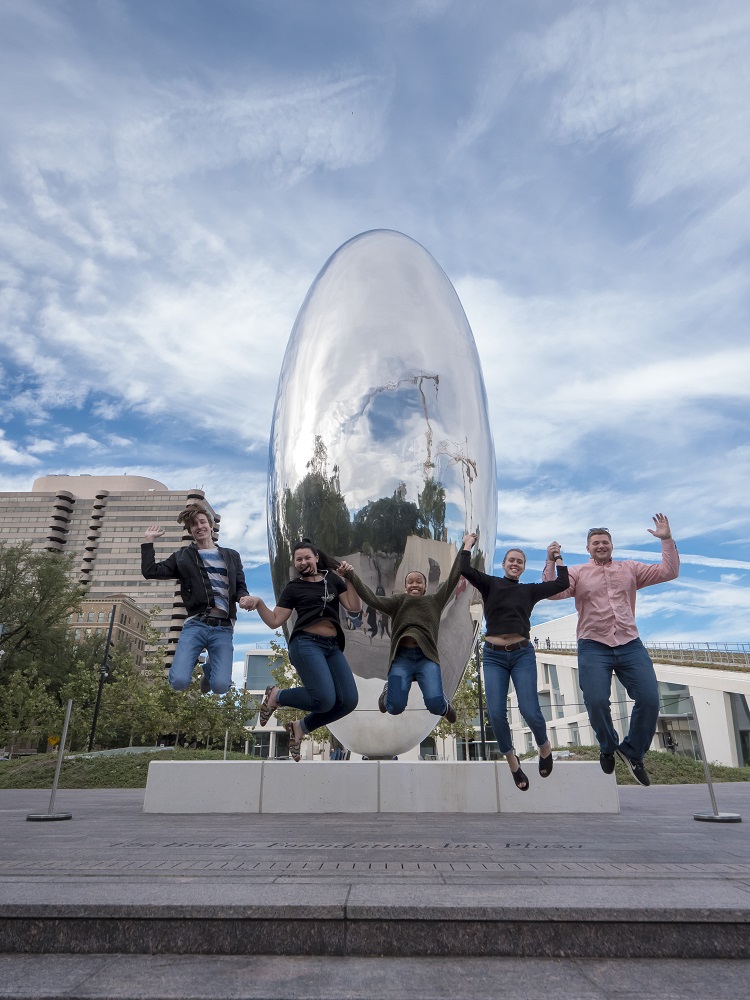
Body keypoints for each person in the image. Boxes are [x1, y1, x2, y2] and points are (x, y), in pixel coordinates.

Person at [543, 513, 679, 786]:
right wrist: (551, 560)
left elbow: (669, 571)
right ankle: (607, 746)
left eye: (605, 541)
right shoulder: (577, 573)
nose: (601, 546)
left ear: (612, 545)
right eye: (595, 543)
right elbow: (552, 591)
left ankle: (633, 752)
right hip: (593, 645)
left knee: (650, 699)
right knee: (595, 701)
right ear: (588, 548)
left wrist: (666, 538)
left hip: (630, 644)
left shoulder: (630, 568)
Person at [461, 532, 570, 791]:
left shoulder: (529, 591)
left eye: (520, 561)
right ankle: (512, 762)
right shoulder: (490, 584)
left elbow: (561, 583)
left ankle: (544, 748)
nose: (515, 563)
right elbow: (464, 568)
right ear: (504, 564)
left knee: (529, 709)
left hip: (522, 654)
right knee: (496, 714)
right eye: (511, 560)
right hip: (493, 657)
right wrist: (467, 545)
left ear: (523, 567)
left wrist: (554, 558)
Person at [246, 539, 361, 762]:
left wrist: (350, 580)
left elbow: (354, 607)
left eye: (307, 557)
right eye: (298, 559)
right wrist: (259, 602)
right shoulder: (294, 587)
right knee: (324, 699)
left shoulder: (334, 580)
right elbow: (275, 620)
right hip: (306, 644)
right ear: (295, 564)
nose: (303, 562)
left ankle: (300, 727)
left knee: (349, 701)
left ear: (316, 558)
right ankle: (277, 695)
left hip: (332, 647)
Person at [337, 546, 464, 723]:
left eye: (418, 582)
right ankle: (388, 692)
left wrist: (465, 547)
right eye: (410, 582)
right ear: (405, 587)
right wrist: (350, 576)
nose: (414, 584)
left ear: (425, 586)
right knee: (394, 708)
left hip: (425, 658)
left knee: (435, 705)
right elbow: (371, 599)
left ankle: (445, 705)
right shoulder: (398, 602)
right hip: (402, 659)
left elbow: (453, 578)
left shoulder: (434, 601)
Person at [141, 503, 252, 695]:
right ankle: (188, 661)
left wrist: (244, 598)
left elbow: (240, 586)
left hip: (223, 628)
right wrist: (148, 541)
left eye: (202, 522)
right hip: (196, 625)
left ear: (210, 525)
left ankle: (208, 670)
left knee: (220, 687)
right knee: (178, 682)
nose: (199, 526)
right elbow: (151, 571)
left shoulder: (231, 556)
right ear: (190, 530)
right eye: (194, 524)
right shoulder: (182, 557)